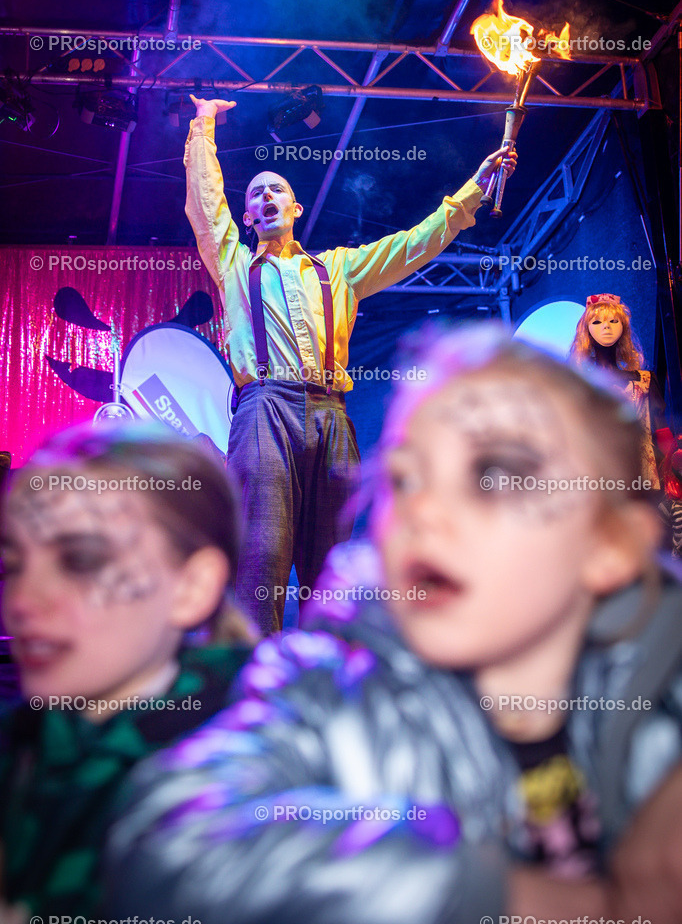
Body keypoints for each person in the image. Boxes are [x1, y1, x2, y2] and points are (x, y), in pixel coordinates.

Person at [106, 324, 682, 923]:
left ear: (611, 545)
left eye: (494, 474)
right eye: (404, 478)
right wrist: (480, 889)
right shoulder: (332, 681)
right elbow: (166, 841)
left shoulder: (663, 687)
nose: (423, 510)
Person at [183, 93, 518, 632]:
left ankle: (326, 684)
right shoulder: (233, 262)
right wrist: (203, 126)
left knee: (332, 565)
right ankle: (256, 691)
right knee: (261, 556)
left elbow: (415, 244)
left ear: (294, 208)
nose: (267, 196)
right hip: (265, 409)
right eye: (256, 193)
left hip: (331, 413)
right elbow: (205, 202)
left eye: (278, 190)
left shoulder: (340, 269)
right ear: (247, 217)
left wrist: (474, 189)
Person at [0, 422, 257, 919]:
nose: (24, 602)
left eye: (81, 561)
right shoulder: (19, 748)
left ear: (191, 587)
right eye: (12, 566)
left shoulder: (251, 786)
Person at [569, 293, 665, 489]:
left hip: (642, 474)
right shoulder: (578, 383)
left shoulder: (645, 380)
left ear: (623, 327)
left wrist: (674, 463)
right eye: (597, 322)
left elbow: (661, 430)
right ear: (586, 330)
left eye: (614, 321)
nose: (606, 327)